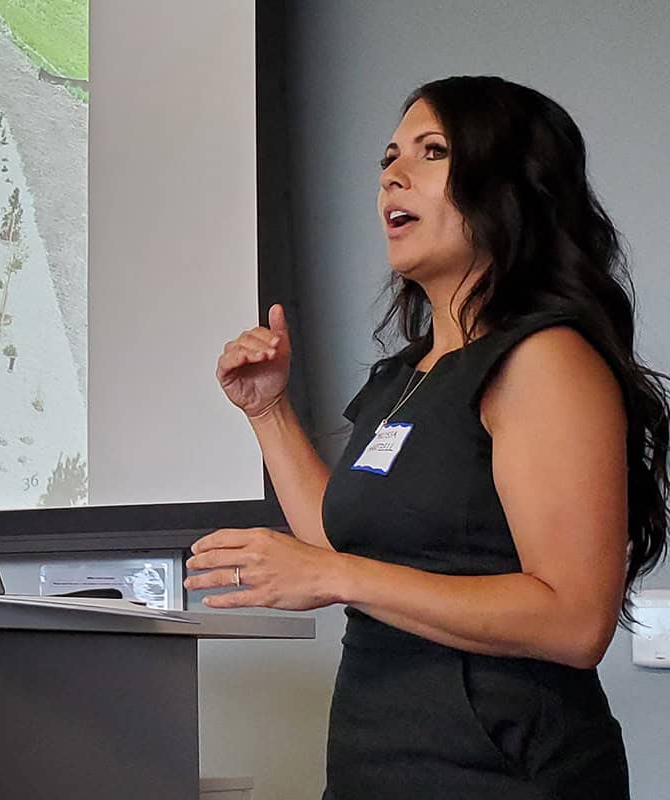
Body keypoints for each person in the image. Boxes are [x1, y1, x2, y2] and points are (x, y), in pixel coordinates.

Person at [184, 75, 669, 799]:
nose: (391, 176)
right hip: (377, 756)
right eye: (388, 158)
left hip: (502, 767)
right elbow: (342, 542)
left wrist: (337, 578)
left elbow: (574, 618)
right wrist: (269, 413)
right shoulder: (407, 374)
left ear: (512, 188)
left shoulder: (545, 360)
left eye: (431, 151)